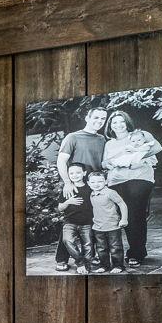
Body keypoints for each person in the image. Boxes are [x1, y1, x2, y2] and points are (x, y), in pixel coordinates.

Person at [102, 107, 162, 266]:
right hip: (116, 180)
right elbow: (104, 163)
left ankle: (136, 252)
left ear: (127, 123)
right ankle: (138, 250)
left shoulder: (139, 135)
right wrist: (113, 162)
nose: (119, 125)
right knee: (125, 215)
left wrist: (137, 158)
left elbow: (157, 148)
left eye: (122, 121)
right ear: (110, 126)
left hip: (140, 177)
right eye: (114, 122)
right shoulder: (109, 144)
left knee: (135, 212)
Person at [54, 106, 110, 270]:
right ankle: (61, 259)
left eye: (102, 119)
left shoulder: (102, 139)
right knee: (71, 219)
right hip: (76, 184)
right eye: (96, 118)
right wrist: (67, 182)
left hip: (95, 185)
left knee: (93, 222)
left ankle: (90, 257)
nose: (99, 121)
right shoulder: (73, 137)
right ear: (87, 118)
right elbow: (61, 161)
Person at [87, 166, 130, 273]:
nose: (96, 184)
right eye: (93, 182)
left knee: (115, 247)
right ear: (88, 183)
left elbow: (122, 204)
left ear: (106, 181)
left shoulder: (110, 192)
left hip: (112, 225)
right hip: (98, 226)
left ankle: (118, 266)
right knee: (101, 248)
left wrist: (124, 219)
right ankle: (104, 265)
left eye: (100, 181)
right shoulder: (92, 193)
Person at [59, 164, 96, 273]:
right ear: (68, 175)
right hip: (70, 222)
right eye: (71, 173)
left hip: (87, 222)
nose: (75, 175)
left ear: (84, 173)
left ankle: (87, 265)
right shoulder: (67, 189)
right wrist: (68, 202)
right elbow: (60, 208)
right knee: (67, 240)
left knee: (88, 245)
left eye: (78, 172)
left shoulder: (90, 188)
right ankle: (80, 262)